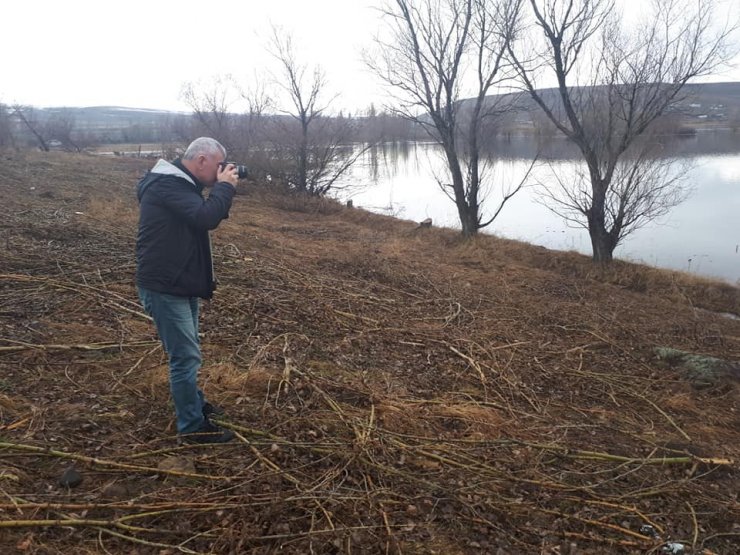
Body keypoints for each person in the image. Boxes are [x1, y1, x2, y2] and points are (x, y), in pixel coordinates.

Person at [136, 137, 239, 444]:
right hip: (166, 286)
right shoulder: (168, 185)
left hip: (179, 283)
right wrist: (226, 187)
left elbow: (204, 214)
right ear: (202, 161)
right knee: (185, 357)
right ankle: (192, 428)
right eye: (219, 165)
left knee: (188, 351)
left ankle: (194, 404)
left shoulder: (180, 186)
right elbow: (206, 217)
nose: (222, 171)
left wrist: (220, 189)